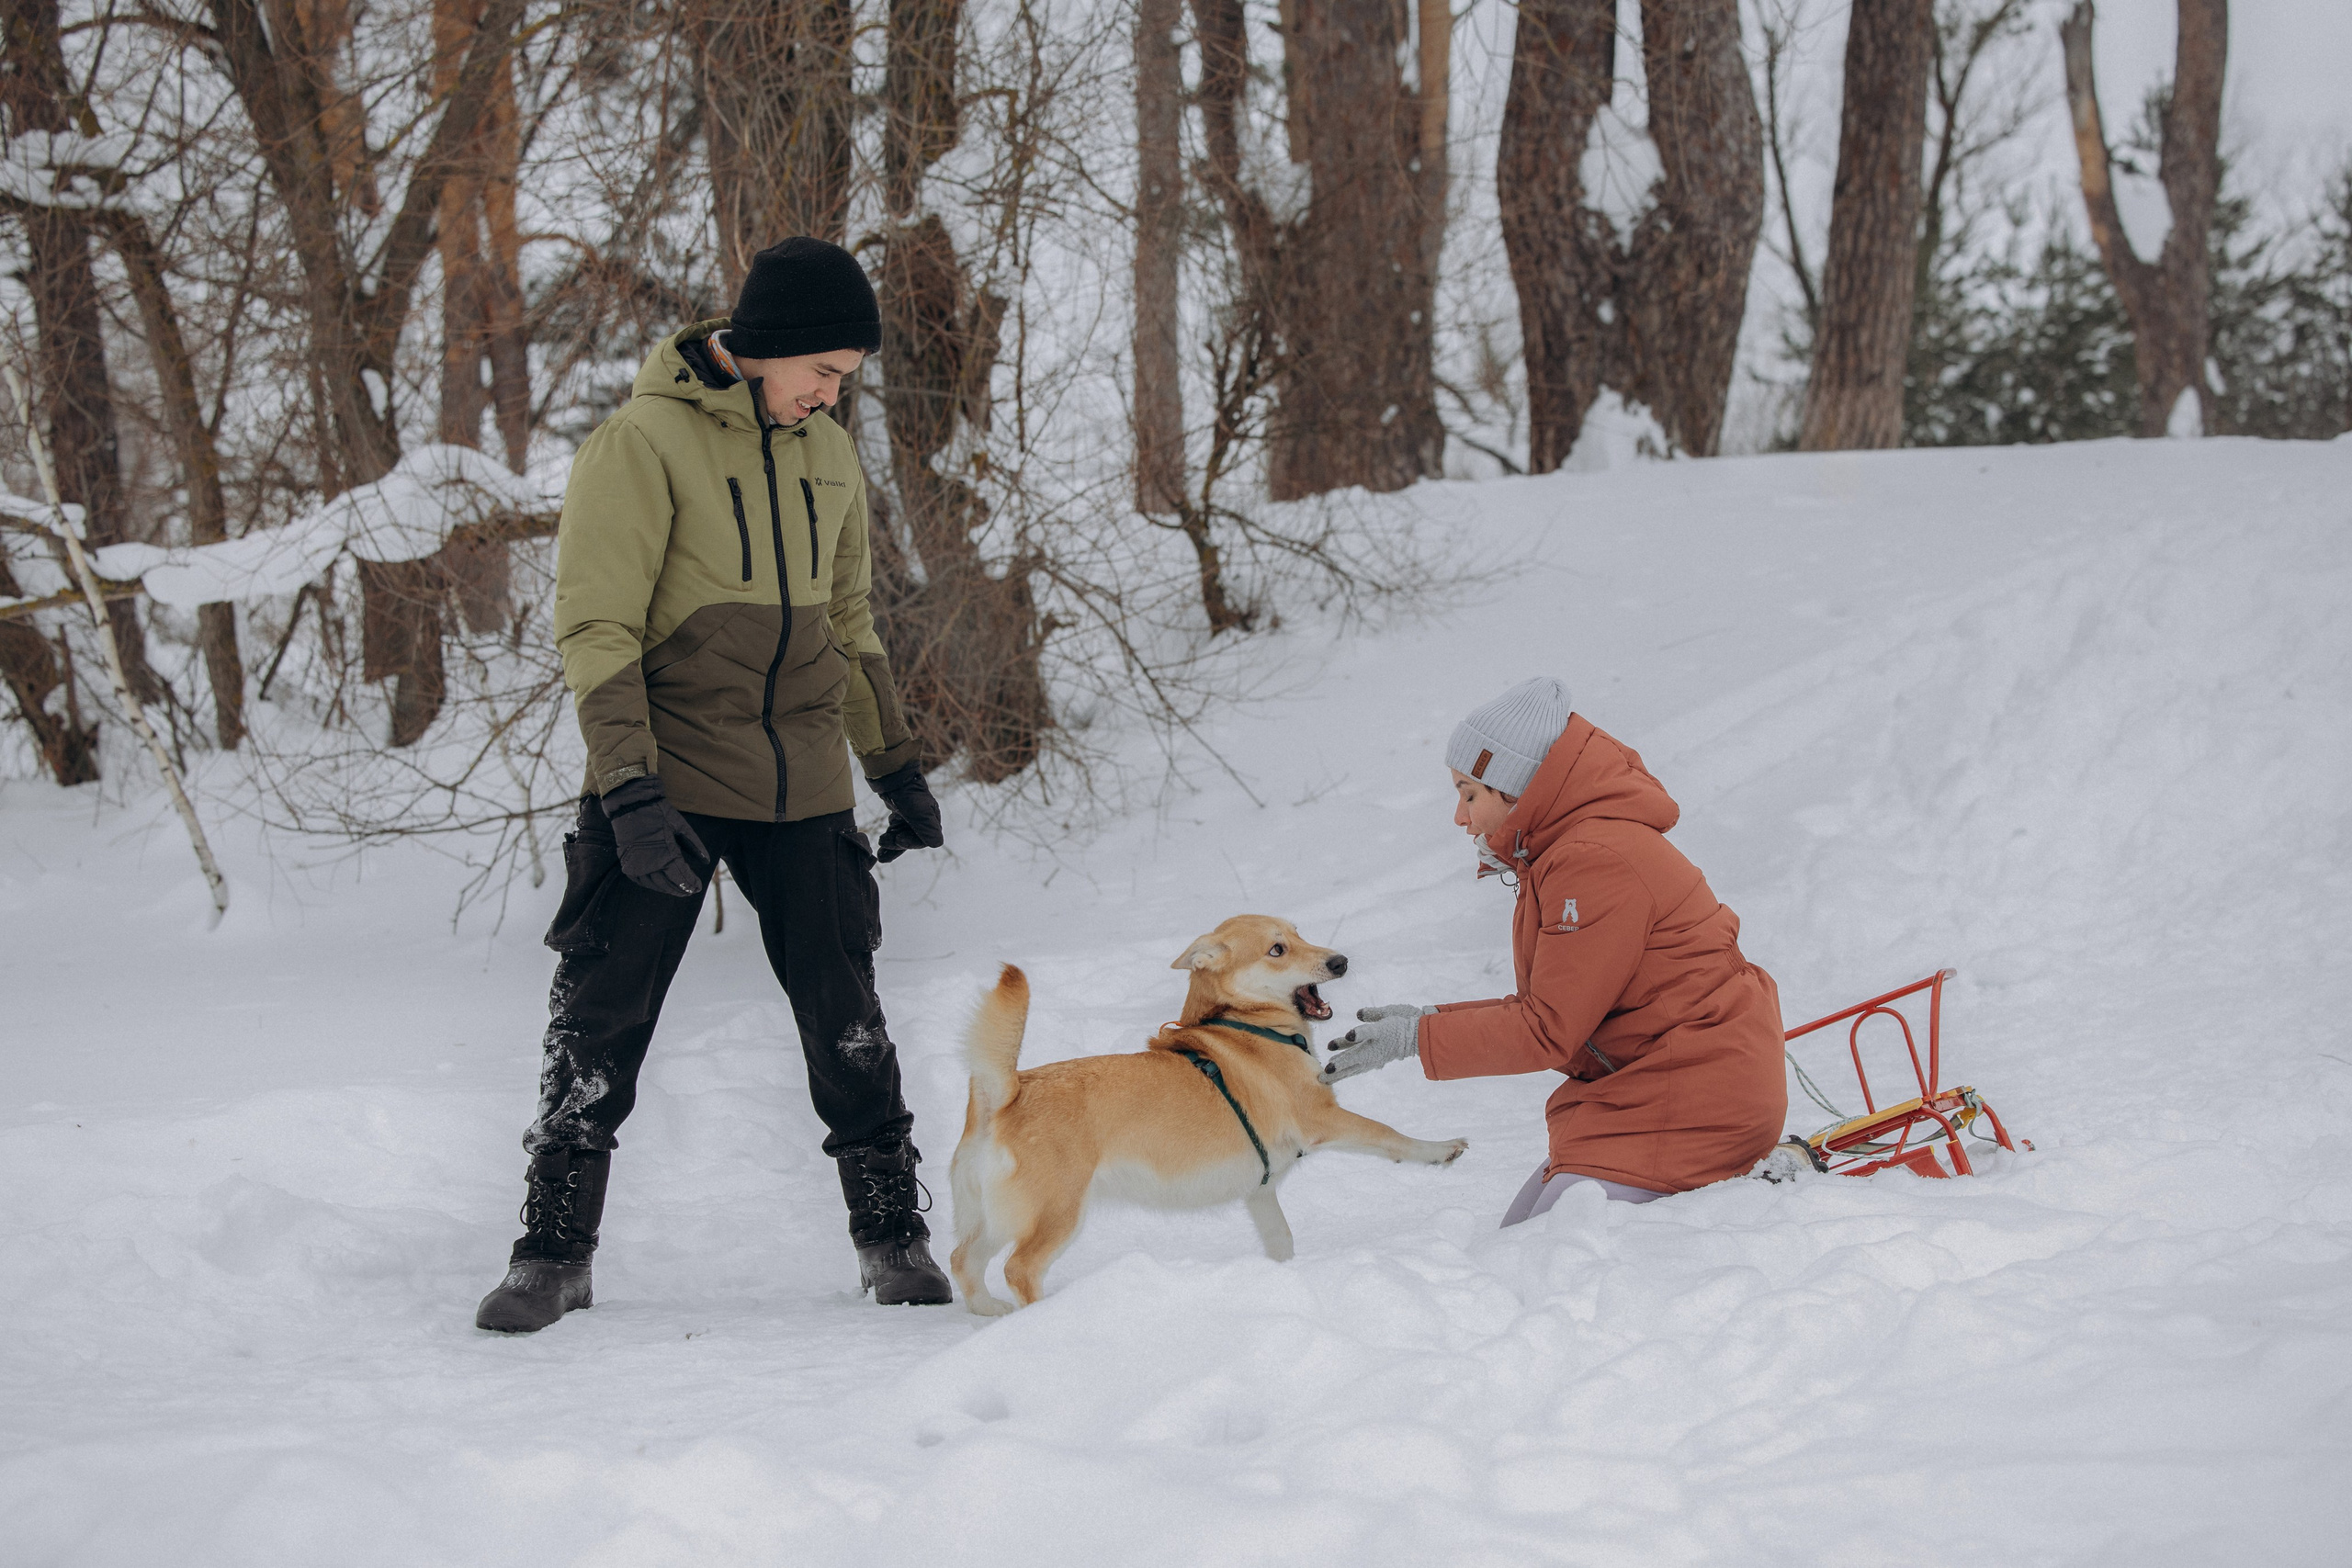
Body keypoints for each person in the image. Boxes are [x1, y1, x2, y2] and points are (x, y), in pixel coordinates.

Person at [475, 238, 953, 1333]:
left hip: (804, 782)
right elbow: (597, 627)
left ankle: (892, 1236)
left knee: (848, 1016)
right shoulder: (640, 445)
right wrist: (628, 791)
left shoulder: (828, 456)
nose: (832, 395)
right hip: (668, 775)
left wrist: (893, 765)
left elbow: (848, 620)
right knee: (599, 1017)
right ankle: (552, 1253)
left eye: (845, 379)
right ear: (769, 347)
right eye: (822, 372)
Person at [1320, 677, 1787, 1224]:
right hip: (1652, 1088)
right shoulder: (1566, 851)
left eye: (1469, 794)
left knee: (1536, 1250)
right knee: (1519, 1238)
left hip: (1695, 1100)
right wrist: (1427, 1020)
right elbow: (1554, 1005)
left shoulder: (1593, 858)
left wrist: (1416, 1038)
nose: (1460, 817)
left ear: (1515, 787)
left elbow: (1548, 1028)